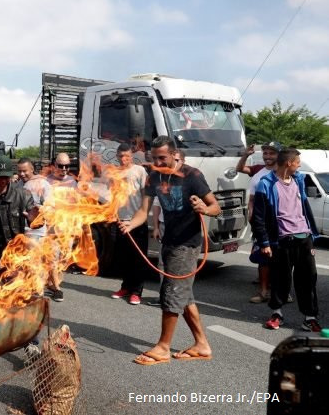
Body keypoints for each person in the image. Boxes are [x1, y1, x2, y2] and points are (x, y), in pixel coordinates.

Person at [120, 136, 220, 365]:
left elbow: (216, 207)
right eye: (153, 158)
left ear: (175, 155)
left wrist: (204, 208)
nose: (157, 162)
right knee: (184, 296)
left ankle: (163, 347)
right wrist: (130, 224)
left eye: (162, 157)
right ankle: (202, 344)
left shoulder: (192, 176)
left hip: (187, 244)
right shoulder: (153, 177)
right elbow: (143, 212)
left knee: (172, 293)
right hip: (168, 241)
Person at [252, 148, 321, 332]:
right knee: (280, 279)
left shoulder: (298, 179)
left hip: (304, 237)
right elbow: (258, 217)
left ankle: (310, 317)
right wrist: (264, 243)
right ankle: (277, 314)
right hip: (281, 240)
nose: (299, 165)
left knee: (308, 278)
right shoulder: (265, 183)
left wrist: (312, 233)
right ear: (289, 163)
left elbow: (304, 206)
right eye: (297, 162)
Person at [237, 141, 281, 303]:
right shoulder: (257, 169)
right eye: (265, 153)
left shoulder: (283, 172)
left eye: (272, 153)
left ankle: (280, 290)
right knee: (263, 255)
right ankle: (263, 291)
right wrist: (245, 155)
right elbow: (240, 170)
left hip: (279, 222)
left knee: (280, 257)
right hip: (260, 221)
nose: (268, 156)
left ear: (279, 155)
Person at [110, 144, 149, 305]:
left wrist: (142, 215)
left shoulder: (139, 171)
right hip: (121, 221)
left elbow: (146, 196)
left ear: (131, 156)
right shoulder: (114, 173)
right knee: (123, 257)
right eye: (120, 156)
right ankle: (125, 287)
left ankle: (136, 292)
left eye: (126, 156)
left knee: (138, 259)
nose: (123, 159)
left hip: (136, 221)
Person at [16, 158, 61, 301]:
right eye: (20, 171)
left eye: (25, 171)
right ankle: (32, 291)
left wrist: (40, 210)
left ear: (32, 170)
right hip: (22, 231)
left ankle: (39, 293)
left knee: (37, 263)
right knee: (27, 264)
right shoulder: (18, 185)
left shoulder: (42, 184)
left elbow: (50, 206)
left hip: (37, 231)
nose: (22, 174)